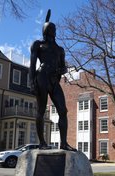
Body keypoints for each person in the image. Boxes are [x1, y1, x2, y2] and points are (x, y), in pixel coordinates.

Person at [29, 10, 76, 151]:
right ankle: (42, 142)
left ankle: (63, 143)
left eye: (54, 29)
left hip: (54, 80)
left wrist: (62, 70)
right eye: (51, 29)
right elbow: (32, 65)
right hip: (42, 77)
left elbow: (64, 67)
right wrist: (32, 83)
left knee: (63, 110)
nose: (54, 31)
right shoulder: (38, 45)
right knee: (41, 110)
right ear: (46, 30)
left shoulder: (60, 49)